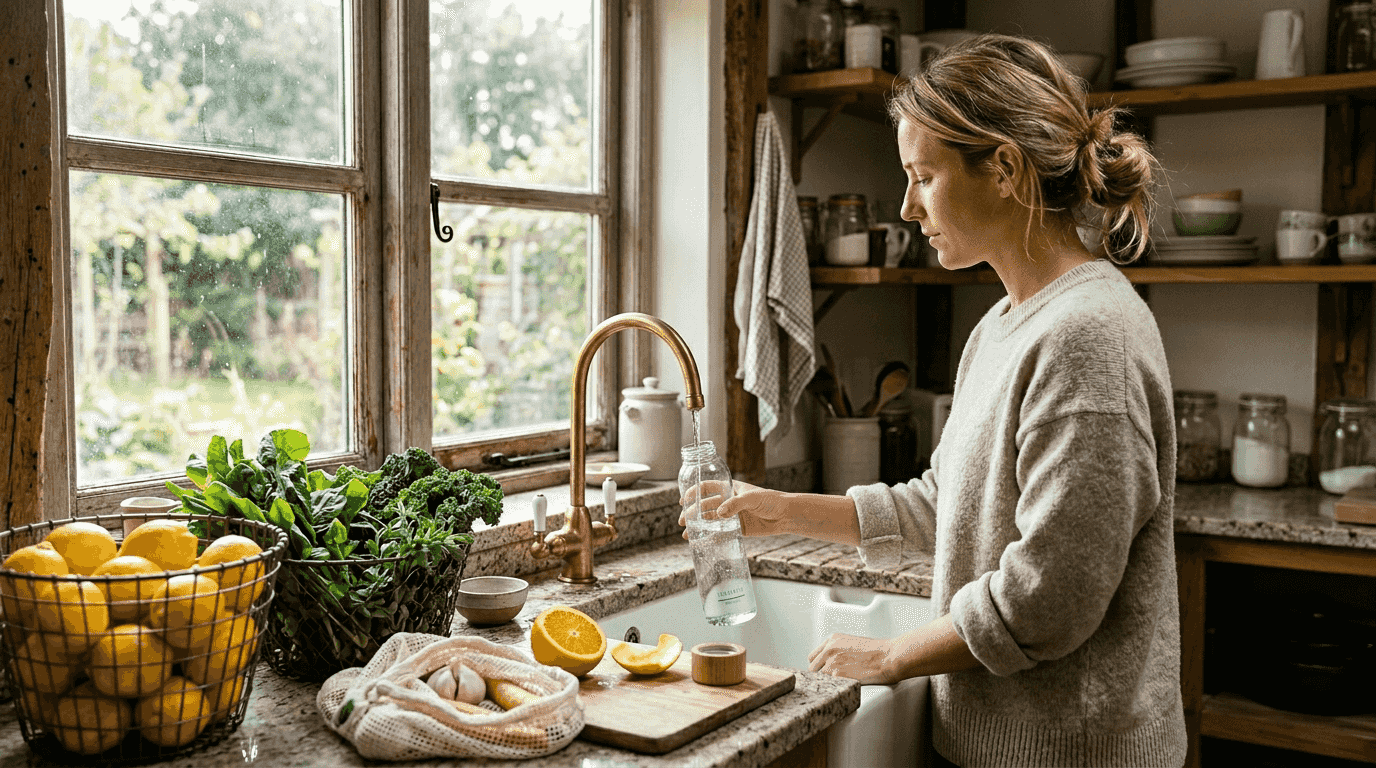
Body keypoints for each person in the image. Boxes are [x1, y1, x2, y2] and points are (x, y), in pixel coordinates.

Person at [683, 34, 1185, 768]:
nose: (907, 206)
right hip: (996, 742)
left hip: (1071, 753)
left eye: (923, 175)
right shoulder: (1004, 325)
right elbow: (941, 502)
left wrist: (895, 654)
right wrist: (779, 510)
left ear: (1004, 169)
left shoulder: (1088, 337)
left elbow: (1050, 597)